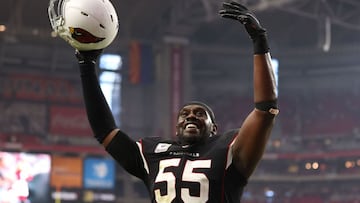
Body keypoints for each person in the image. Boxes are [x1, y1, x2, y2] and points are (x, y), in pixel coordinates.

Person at [74, 1, 279, 202]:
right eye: (184, 113)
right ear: (176, 127)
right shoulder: (152, 152)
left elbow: (265, 109)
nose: (191, 115)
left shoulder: (229, 148)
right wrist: (87, 65)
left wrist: (259, 40)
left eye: (200, 113)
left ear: (214, 128)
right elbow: (105, 131)